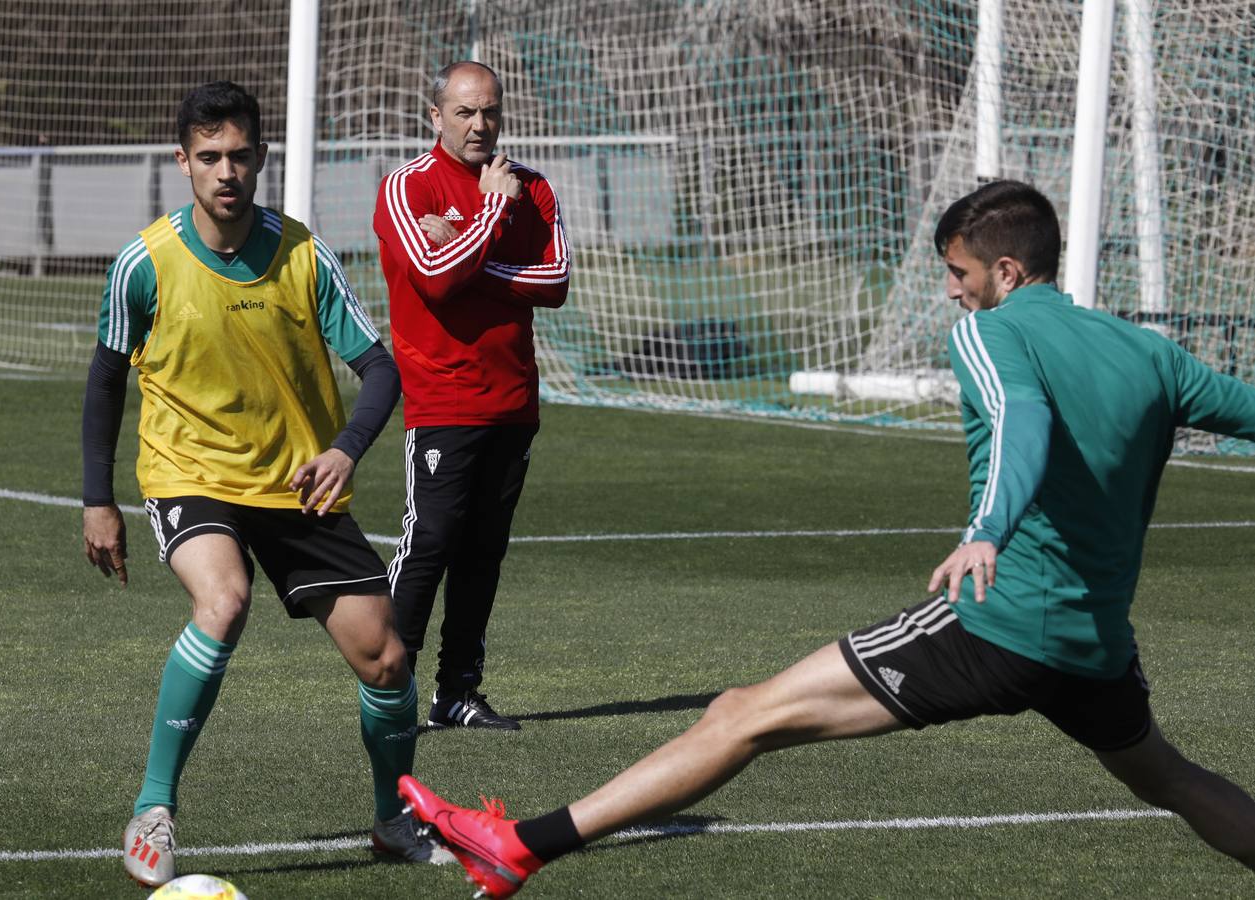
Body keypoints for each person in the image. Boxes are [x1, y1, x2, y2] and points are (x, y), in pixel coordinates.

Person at [395, 180, 1255, 897]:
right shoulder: (1149, 354)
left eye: (957, 273)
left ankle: (521, 846)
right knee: (1167, 779)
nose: (950, 292)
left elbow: (1020, 417)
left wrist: (987, 529)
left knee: (741, 715)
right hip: (1092, 642)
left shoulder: (990, 333)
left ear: (1003, 270)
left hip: (998, 621)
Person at [80, 81, 451, 888]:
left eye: (240, 156)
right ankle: (153, 809)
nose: (226, 172)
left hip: (296, 480)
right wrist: (96, 498)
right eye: (208, 156)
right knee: (223, 600)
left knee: (386, 659)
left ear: (261, 160)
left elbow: (380, 368)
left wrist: (348, 447)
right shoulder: (145, 263)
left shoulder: (302, 253)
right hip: (190, 470)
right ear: (182, 163)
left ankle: (392, 820)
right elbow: (106, 379)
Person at [372, 61, 570, 731]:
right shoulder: (406, 186)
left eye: (489, 110)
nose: (479, 123)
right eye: (463, 112)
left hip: (513, 399)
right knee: (429, 540)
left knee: (483, 550)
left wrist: (465, 247)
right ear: (436, 117)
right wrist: (487, 213)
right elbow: (430, 280)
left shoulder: (534, 187)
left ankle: (457, 690)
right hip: (442, 397)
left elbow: (556, 279)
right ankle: (389, 685)